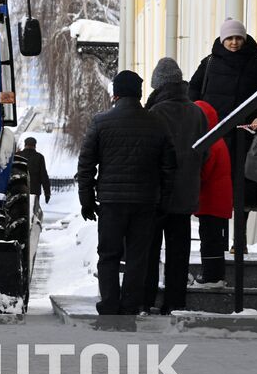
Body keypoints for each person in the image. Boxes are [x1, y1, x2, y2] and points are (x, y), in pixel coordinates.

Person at [76, 70, 177, 316]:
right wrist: (164, 201)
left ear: (116, 93)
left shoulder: (101, 122)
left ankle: (109, 304)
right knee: (137, 256)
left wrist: (87, 200)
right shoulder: (157, 123)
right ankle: (131, 304)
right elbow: (169, 167)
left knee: (109, 254)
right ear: (140, 93)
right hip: (145, 202)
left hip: (111, 202)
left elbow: (86, 164)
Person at [189, 18, 257, 251]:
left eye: (238, 38)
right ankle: (219, 241)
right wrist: (200, 115)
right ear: (222, 39)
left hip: (244, 137)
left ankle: (240, 241)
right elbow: (193, 92)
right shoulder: (209, 64)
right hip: (215, 137)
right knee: (218, 188)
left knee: (243, 190)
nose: (234, 42)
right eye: (230, 38)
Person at [142, 58, 209, 313]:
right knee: (179, 252)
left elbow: (148, 153)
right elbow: (205, 153)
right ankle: (175, 302)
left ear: (157, 85)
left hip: (158, 193)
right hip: (187, 192)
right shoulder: (197, 112)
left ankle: (146, 299)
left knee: (150, 250)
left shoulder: (155, 113)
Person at [193, 100, 233, 284]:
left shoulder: (210, 143)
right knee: (214, 239)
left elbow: (204, 174)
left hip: (211, 202)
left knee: (209, 241)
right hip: (218, 201)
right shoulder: (218, 139)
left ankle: (211, 275)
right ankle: (214, 274)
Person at [17, 137, 52, 203]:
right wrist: (47, 193)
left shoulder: (17, 155)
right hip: (34, 191)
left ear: (25, 145)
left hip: (19, 190)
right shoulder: (39, 157)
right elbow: (43, 176)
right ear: (35, 145)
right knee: (32, 210)